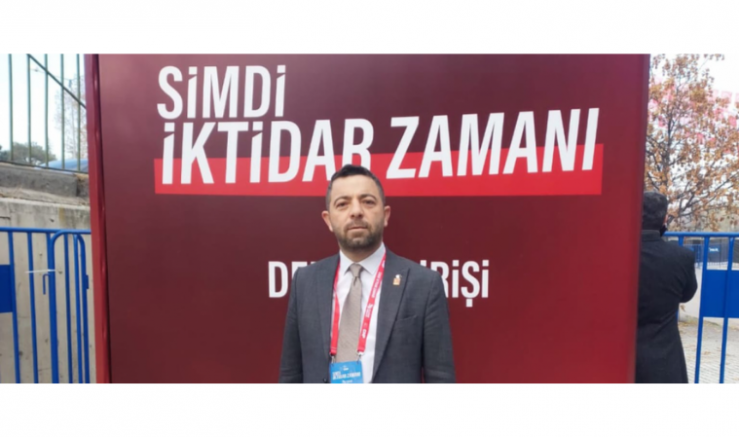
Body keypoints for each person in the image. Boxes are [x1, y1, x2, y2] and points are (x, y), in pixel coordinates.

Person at [278, 164, 455, 383]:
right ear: (328, 220)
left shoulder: (424, 285)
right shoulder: (304, 282)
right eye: (342, 204)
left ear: (386, 215)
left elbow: (441, 378)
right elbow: (290, 375)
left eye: (368, 202)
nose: (356, 211)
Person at [635, 191, 698, 383]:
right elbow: (686, 295)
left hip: (616, 355)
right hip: (663, 358)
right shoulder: (682, 257)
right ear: (664, 219)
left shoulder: (610, 253)